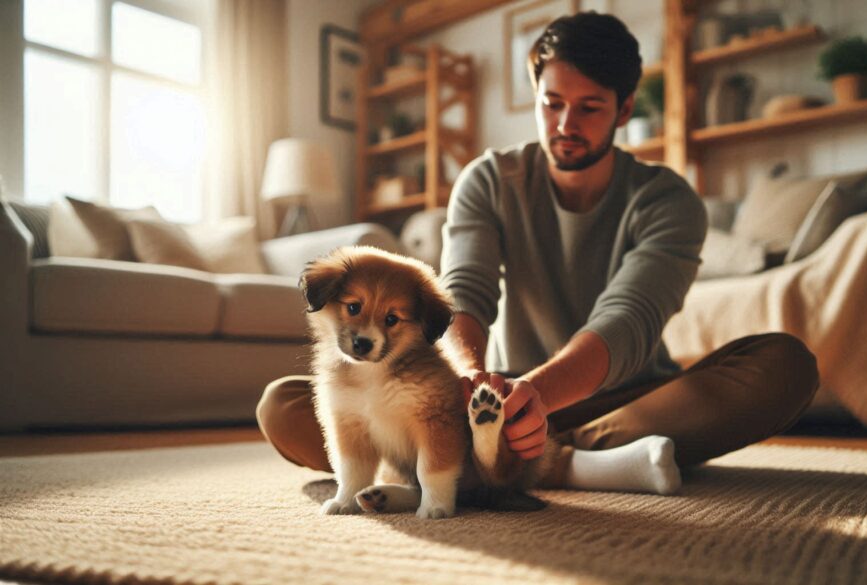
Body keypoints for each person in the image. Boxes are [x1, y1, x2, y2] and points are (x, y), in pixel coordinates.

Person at [257, 12, 819, 494]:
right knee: (284, 404)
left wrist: (539, 399)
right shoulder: (489, 179)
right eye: (552, 104)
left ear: (624, 110)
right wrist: (472, 381)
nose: (566, 124)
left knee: (783, 366)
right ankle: (567, 465)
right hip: (496, 396)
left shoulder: (669, 200)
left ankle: (528, 461)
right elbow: (464, 296)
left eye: (590, 108)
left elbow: (626, 321)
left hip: (622, 397)